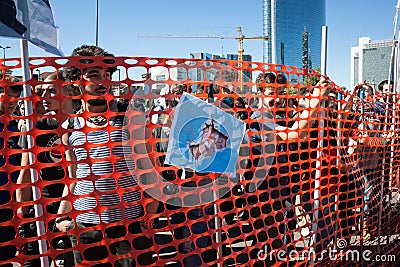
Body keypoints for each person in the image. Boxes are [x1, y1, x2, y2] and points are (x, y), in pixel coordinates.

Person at [57, 45, 155, 267]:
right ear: (75, 81)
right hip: (85, 227)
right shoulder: (70, 127)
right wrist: (63, 217)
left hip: (129, 226)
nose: (103, 81)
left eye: (107, 75)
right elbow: (73, 178)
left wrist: (149, 214)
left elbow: (151, 172)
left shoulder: (131, 119)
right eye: (94, 75)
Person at [15, 71, 80, 266]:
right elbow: (25, 172)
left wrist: (63, 214)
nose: (44, 97)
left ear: (70, 92)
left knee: (74, 260)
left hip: (75, 208)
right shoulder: (35, 126)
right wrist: (22, 213)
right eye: (41, 91)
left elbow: (76, 175)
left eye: (51, 91)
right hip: (41, 208)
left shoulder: (81, 125)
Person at [0, 76, 23, 266]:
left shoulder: (17, 126)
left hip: (12, 203)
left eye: (16, 96)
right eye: (7, 95)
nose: (12, 101)